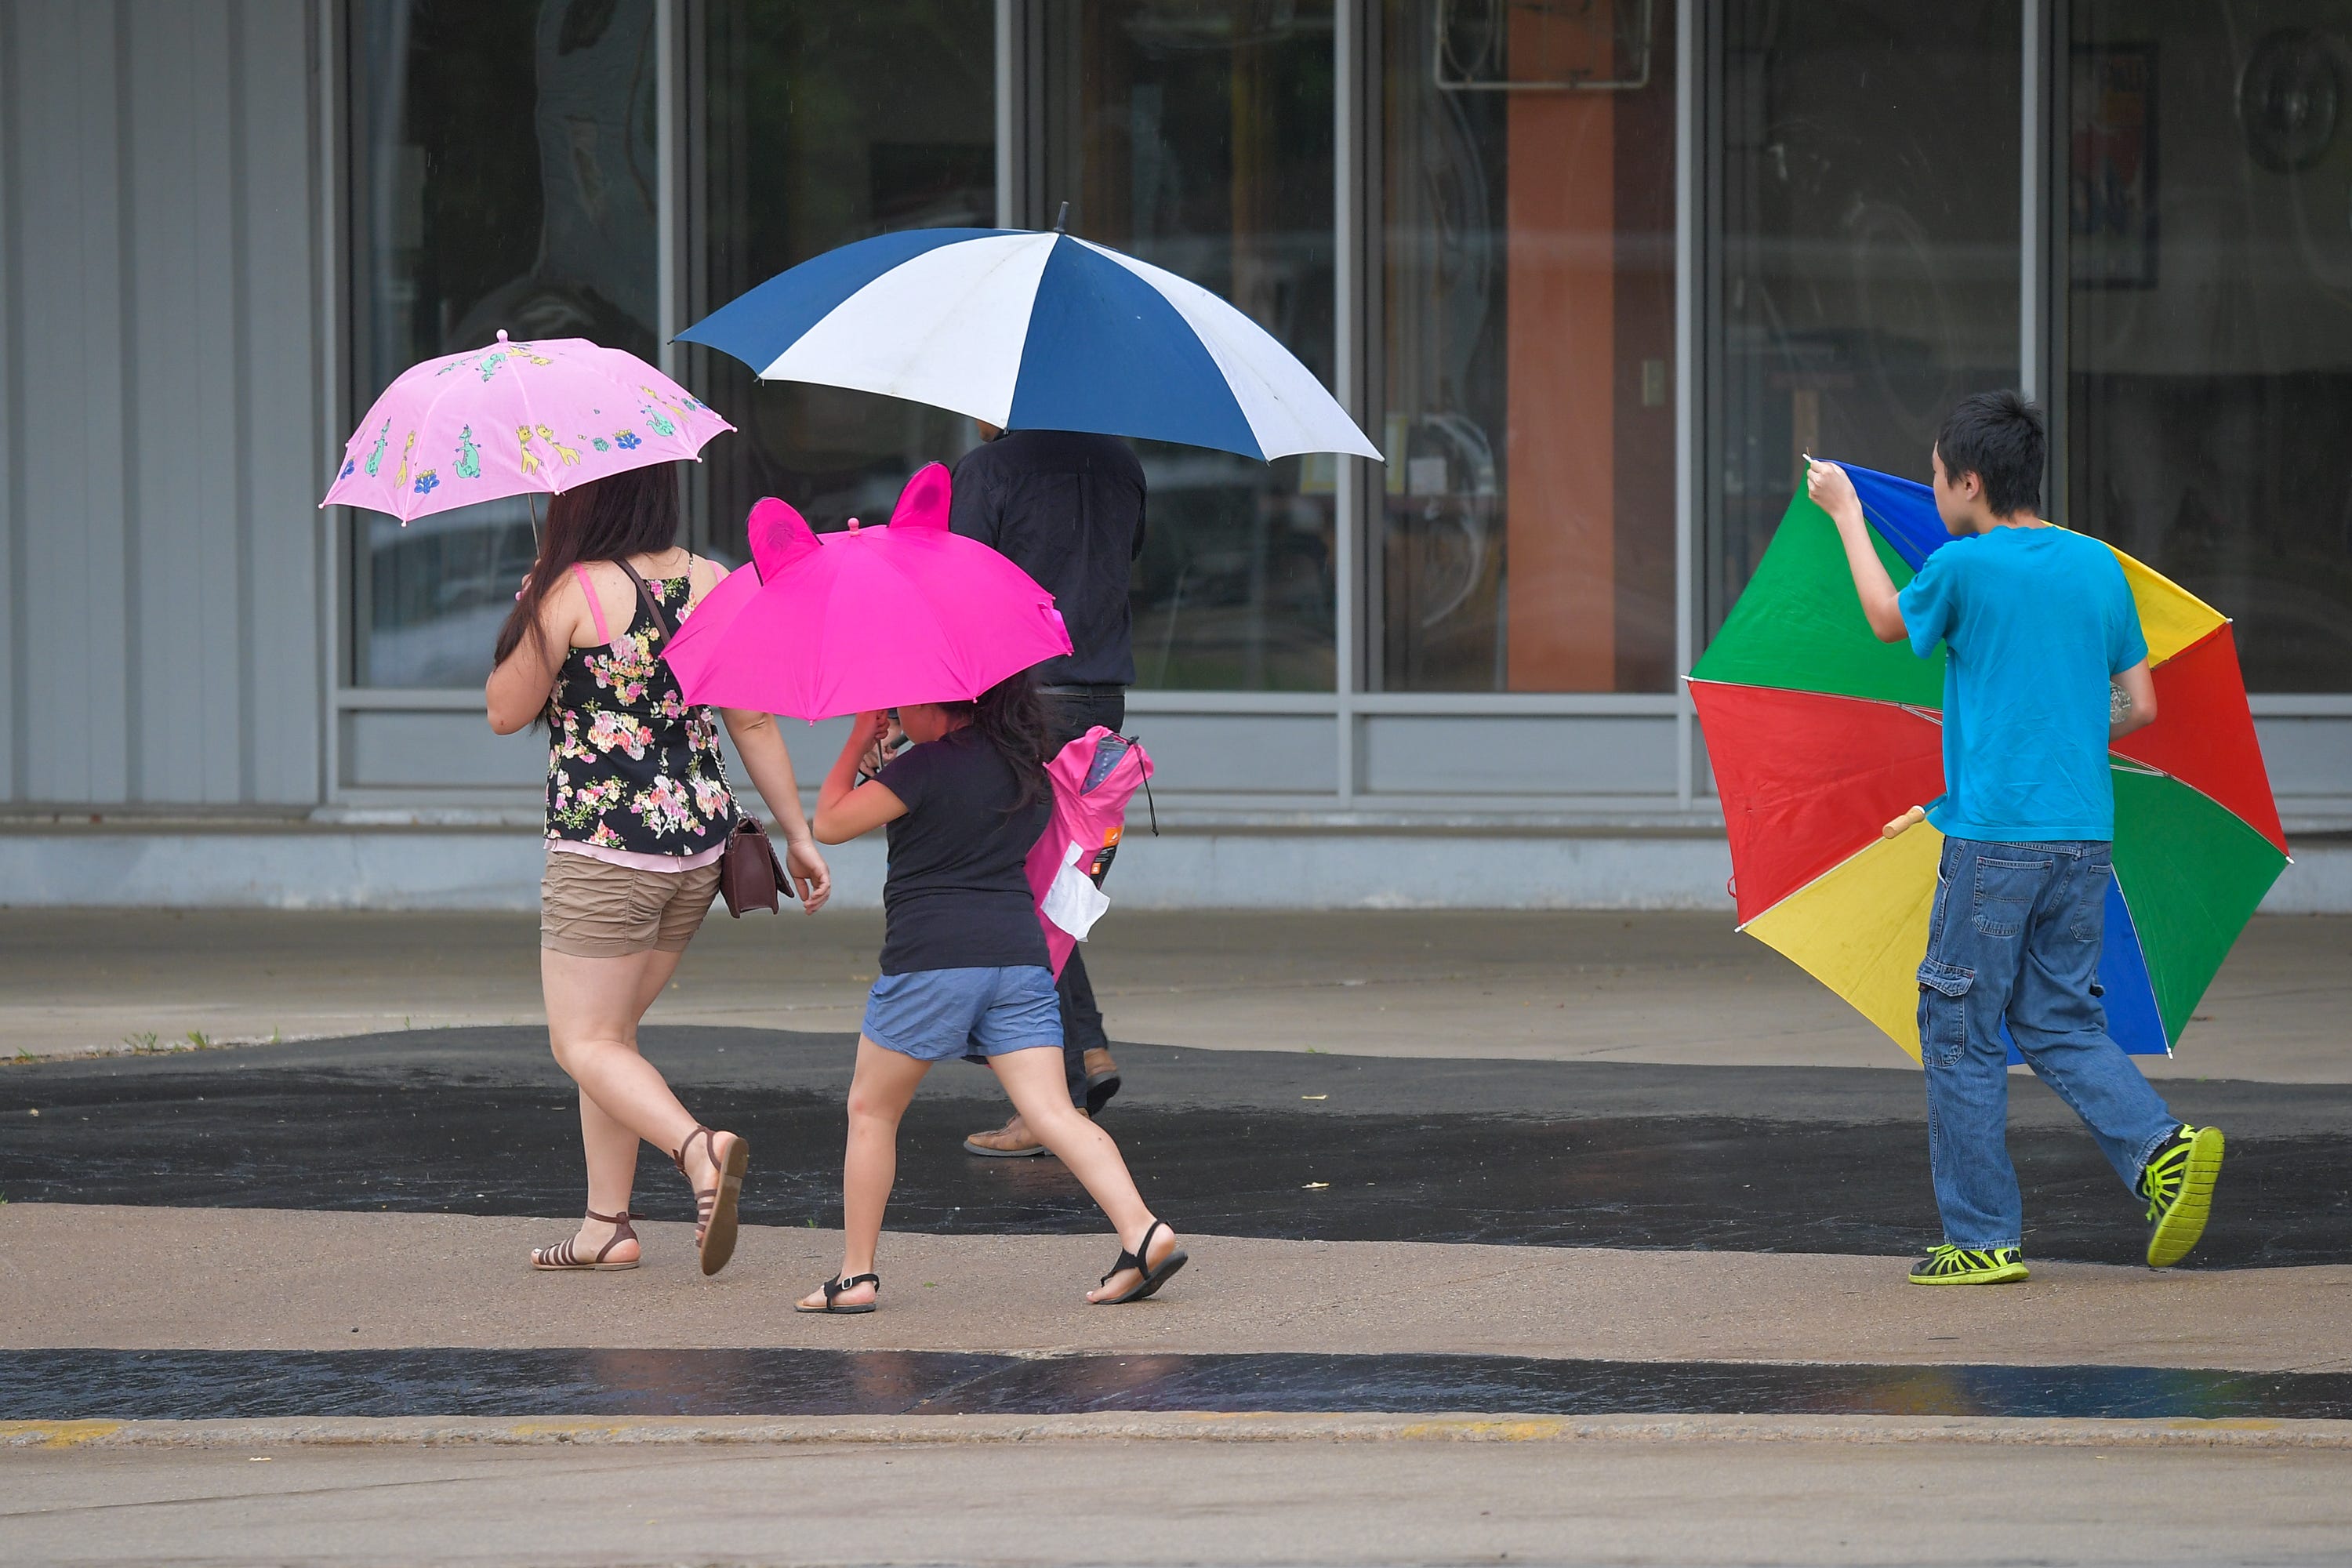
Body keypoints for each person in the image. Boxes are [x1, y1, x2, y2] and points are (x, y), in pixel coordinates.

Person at [1808, 390, 2224, 1286]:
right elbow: (2141, 705)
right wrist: (2054, 735)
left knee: (1957, 1026)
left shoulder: (1966, 568)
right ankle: (2162, 1148)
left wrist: (1847, 511)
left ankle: (1981, 1234)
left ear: (1968, 482)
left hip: (1996, 845)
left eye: (1933, 474)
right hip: (2081, 840)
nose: (1930, 487)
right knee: (2056, 1017)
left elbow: (1887, 619)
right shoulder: (2097, 567)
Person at [485, 463, 833, 1278]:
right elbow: (750, 718)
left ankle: (698, 1150)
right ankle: (606, 1225)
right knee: (610, 1038)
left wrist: (530, 608)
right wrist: (799, 833)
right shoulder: (709, 578)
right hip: (696, 852)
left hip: (604, 849)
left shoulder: (573, 590)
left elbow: (505, 710)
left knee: (583, 1039)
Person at [795, 675, 1185, 1312]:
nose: (896, 714)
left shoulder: (923, 768)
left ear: (930, 702)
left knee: (871, 1113)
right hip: (1020, 961)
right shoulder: (1024, 768)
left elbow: (832, 823)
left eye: (902, 704)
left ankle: (855, 1276)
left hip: (932, 962)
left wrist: (857, 738)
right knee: (1055, 1114)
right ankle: (1144, 1232)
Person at [947, 423, 1147, 1156]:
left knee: (1018, 895)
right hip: (1102, 701)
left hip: (1024, 699)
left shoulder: (991, 469)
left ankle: (1051, 1101)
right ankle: (1086, 1050)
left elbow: (958, 581)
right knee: (1053, 887)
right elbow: (1123, 562)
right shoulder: (1122, 463)